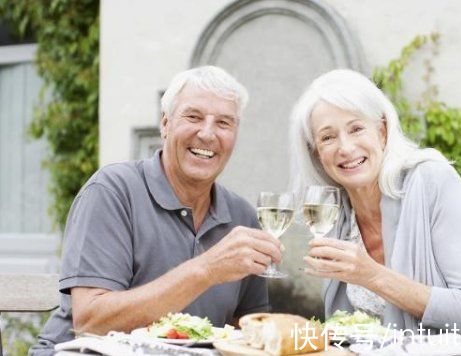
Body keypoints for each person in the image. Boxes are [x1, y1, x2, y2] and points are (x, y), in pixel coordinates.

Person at [30, 66, 282, 355]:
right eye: (194, 117)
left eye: (224, 123)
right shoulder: (112, 191)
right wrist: (208, 269)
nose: (208, 133)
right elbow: (91, 320)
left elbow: (248, 329)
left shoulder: (242, 216)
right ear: (165, 124)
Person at [288, 69, 461, 355]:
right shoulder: (337, 214)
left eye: (356, 128)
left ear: (382, 131)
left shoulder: (432, 181)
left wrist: (372, 276)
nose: (346, 148)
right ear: (316, 154)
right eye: (328, 138)